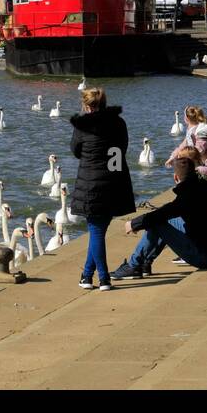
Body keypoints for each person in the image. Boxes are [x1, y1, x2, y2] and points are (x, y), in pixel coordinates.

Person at [111, 158, 207, 280]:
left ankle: (134, 266)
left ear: (176, 177)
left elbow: (165, 213)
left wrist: (134, 223)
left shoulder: (187, 197)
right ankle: (145, 263)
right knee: (159, 218)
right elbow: (168, 211)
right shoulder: (202, 188)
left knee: (157, 221)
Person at [69, 87, 136, 291]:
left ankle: (104, 278)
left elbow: (75, 150)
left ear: (86, 105)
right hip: (114, 182)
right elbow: (121, 149)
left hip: (91, 184)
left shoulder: (83, 125)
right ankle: (86, 276)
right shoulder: (118, 122)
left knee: (96, 231)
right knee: (97, 231)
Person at [166, 106, 207, 189]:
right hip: (201, 167)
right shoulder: (191, 130)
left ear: (186, 118)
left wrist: (179, 160)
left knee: (186, 179)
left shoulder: (201, 134)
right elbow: (183, 145)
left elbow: (196, 152)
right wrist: (173, 157)